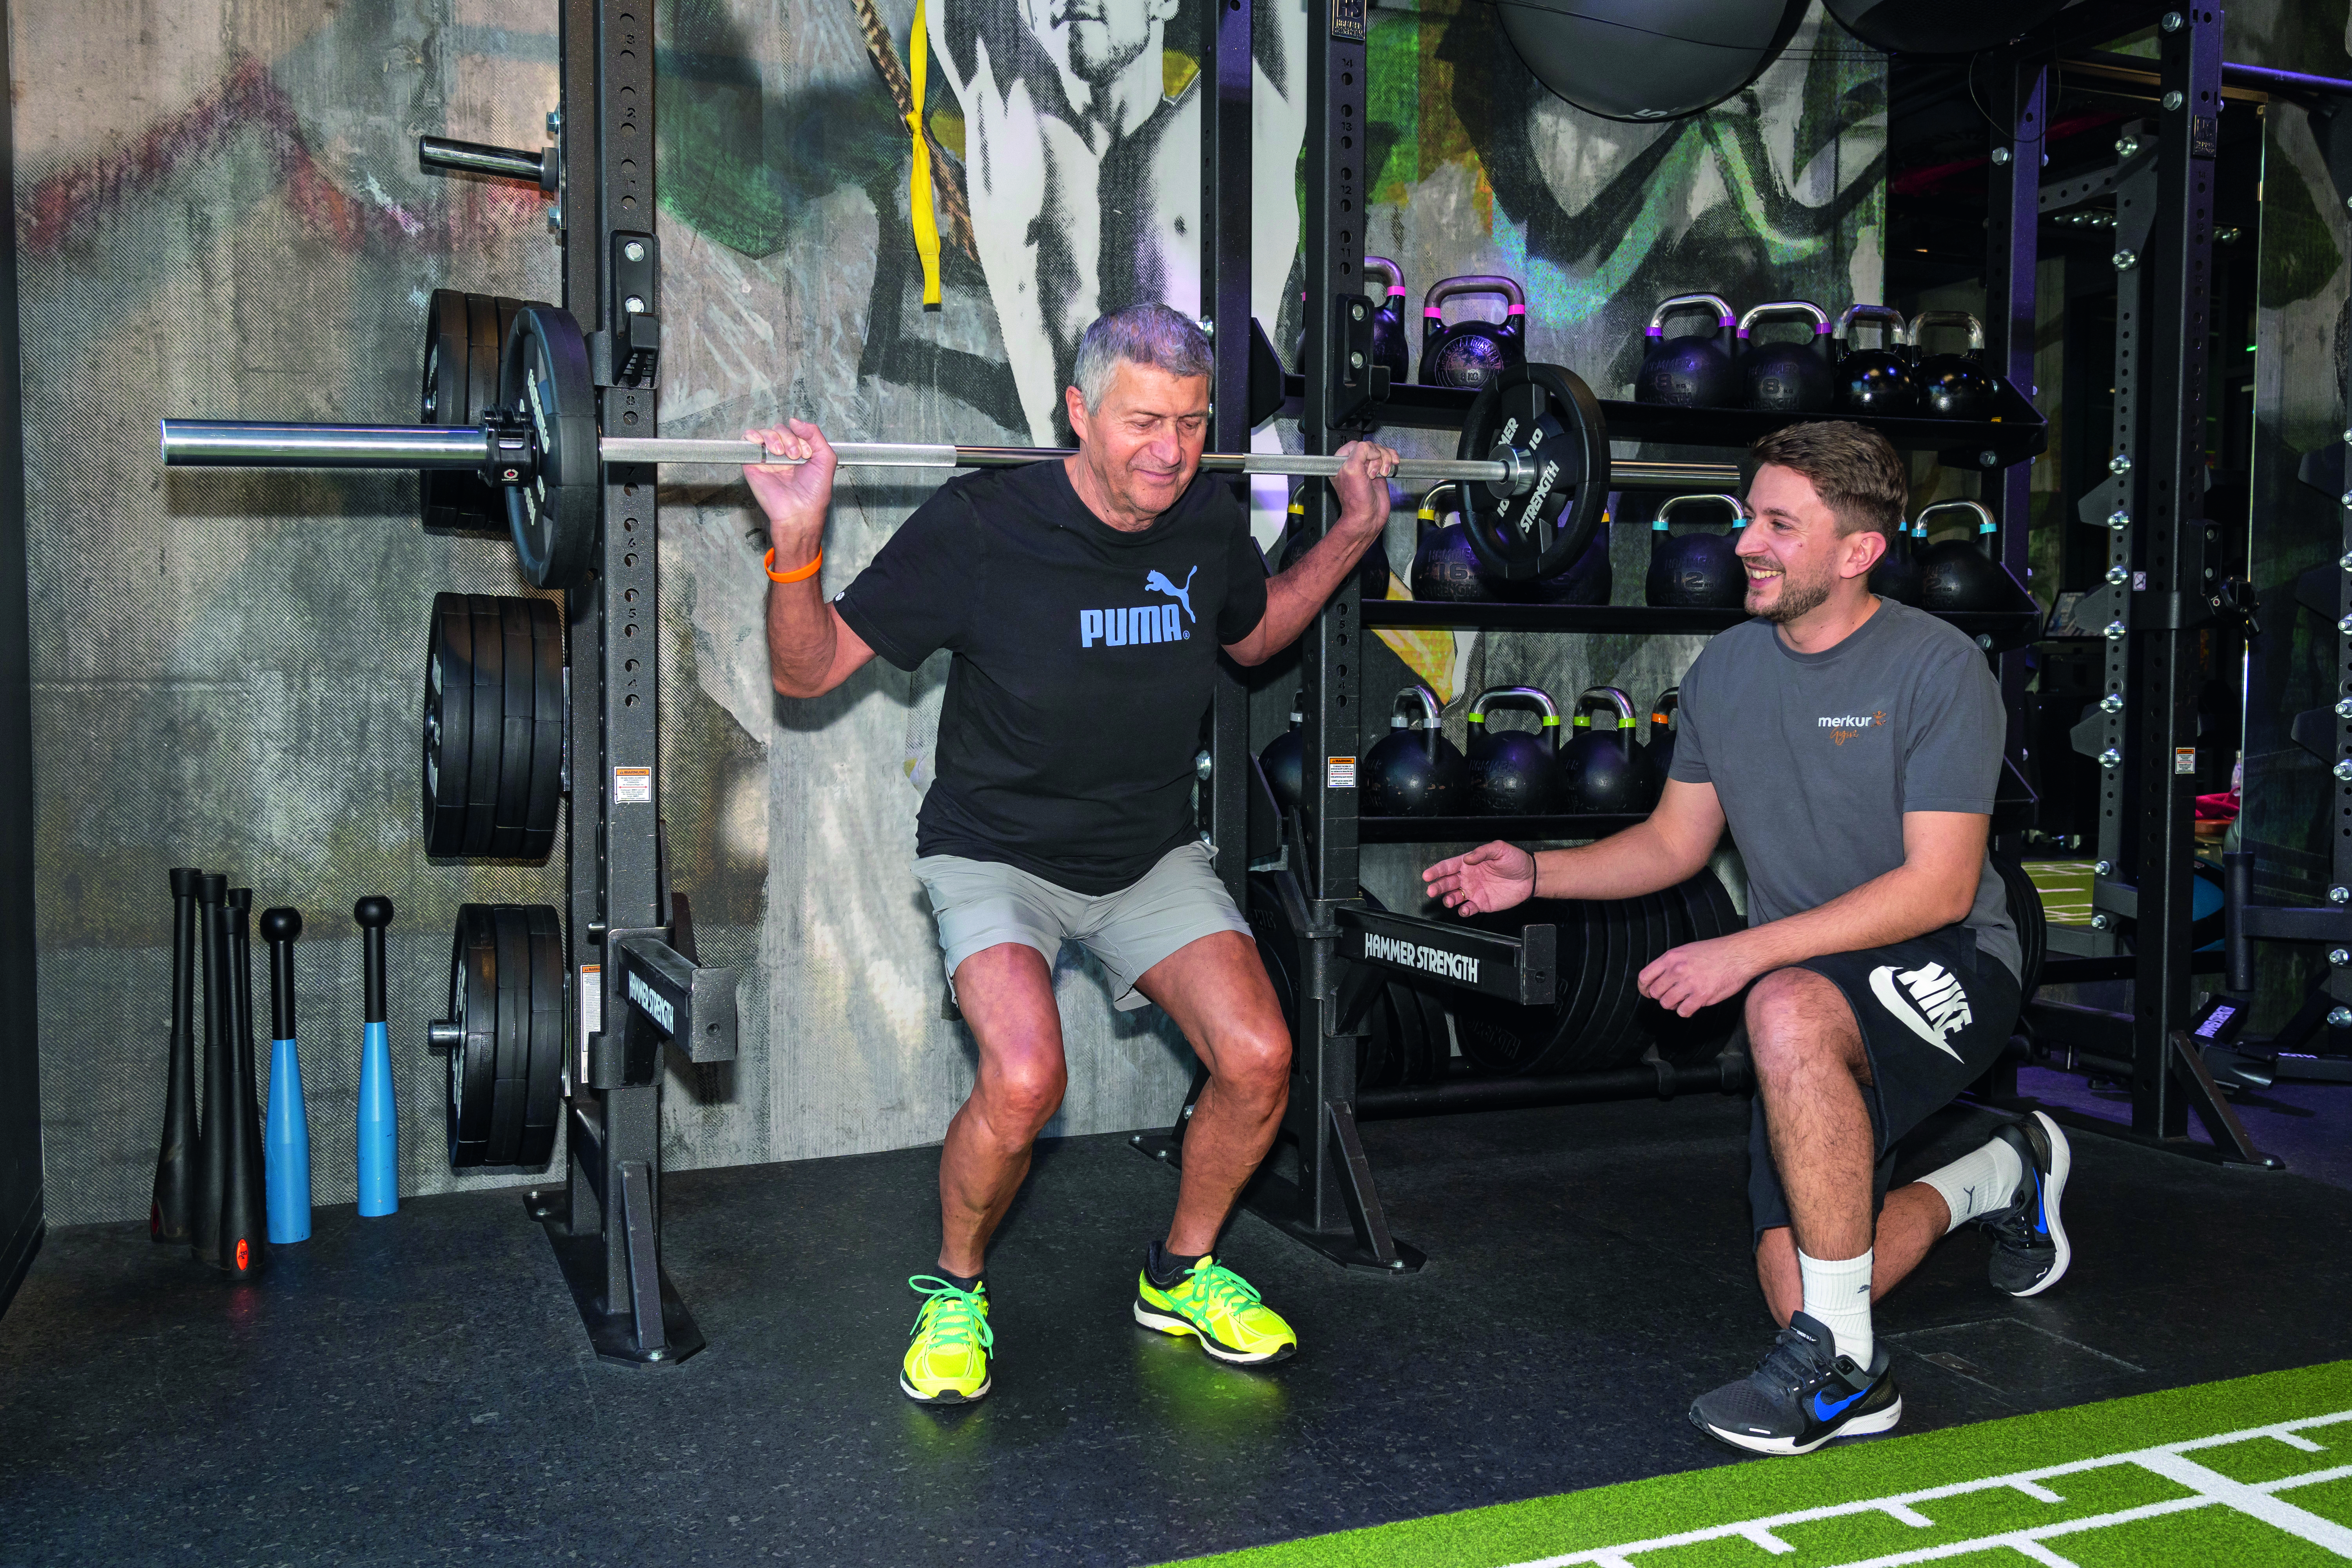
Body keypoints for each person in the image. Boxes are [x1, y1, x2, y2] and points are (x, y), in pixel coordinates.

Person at [749, 302, 1401, 1403]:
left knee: (1260, 1058)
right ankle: (956, 1290)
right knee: (1024, 1078)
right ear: (1078, 413)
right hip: (997, 854)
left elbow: (1252, 636)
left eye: (1191, 424)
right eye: (1143, 423)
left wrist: (1349, 534)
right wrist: (799, 543)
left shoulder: (1204, 520)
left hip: (1146, 854)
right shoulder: (981, 524)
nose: (1171, 453)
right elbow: (806, 673)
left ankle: (1179, 1275)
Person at [1424, 421, 2072, 1456]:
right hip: (1806, 988)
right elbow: (1673, 843)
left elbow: (1941, 888)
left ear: (1858, 552)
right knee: (1797, 1290)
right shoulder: (1724, 670)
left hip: (1953, 961)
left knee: (1781, 1003)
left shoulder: (1939, 667)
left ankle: (1849, 1373)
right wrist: (1537, 872)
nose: (1744, 545)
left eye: (1778, 525)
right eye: (1748, 519)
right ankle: (2000, 1174)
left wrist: (1746, 952)